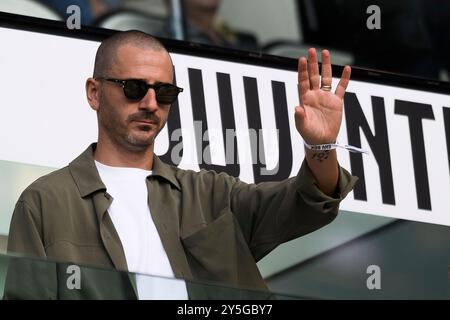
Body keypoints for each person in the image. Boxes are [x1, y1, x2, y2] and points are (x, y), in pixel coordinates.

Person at [4, 30, 357, 299]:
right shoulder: (44, 203)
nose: (150, 103)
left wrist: (320, 145)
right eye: (133, 88)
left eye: (165, 92)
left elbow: (308, 202)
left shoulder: (212, 194)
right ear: (94, 93)